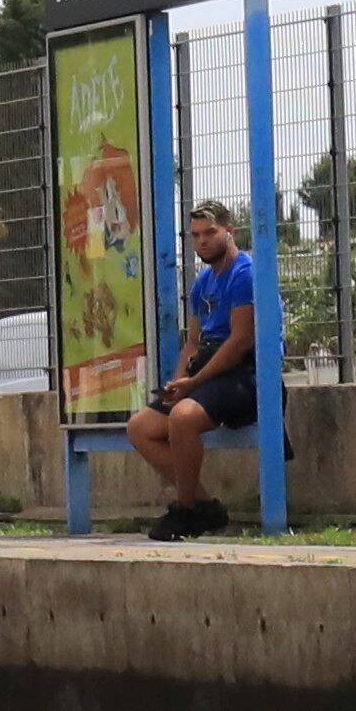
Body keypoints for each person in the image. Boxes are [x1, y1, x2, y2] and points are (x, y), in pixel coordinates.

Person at [124, 199, 259, 541]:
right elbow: (193, 343)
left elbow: (241, 342)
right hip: (208, 376)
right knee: (140, 427)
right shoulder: (202, 284)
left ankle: (185, 511)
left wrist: (195, 382)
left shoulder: (246, 274)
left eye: (210, 233)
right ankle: (204, 506)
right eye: (195, 235)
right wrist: (178, 381)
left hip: (245, 376)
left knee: (182, 418)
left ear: (230, 231)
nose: (202, 241)